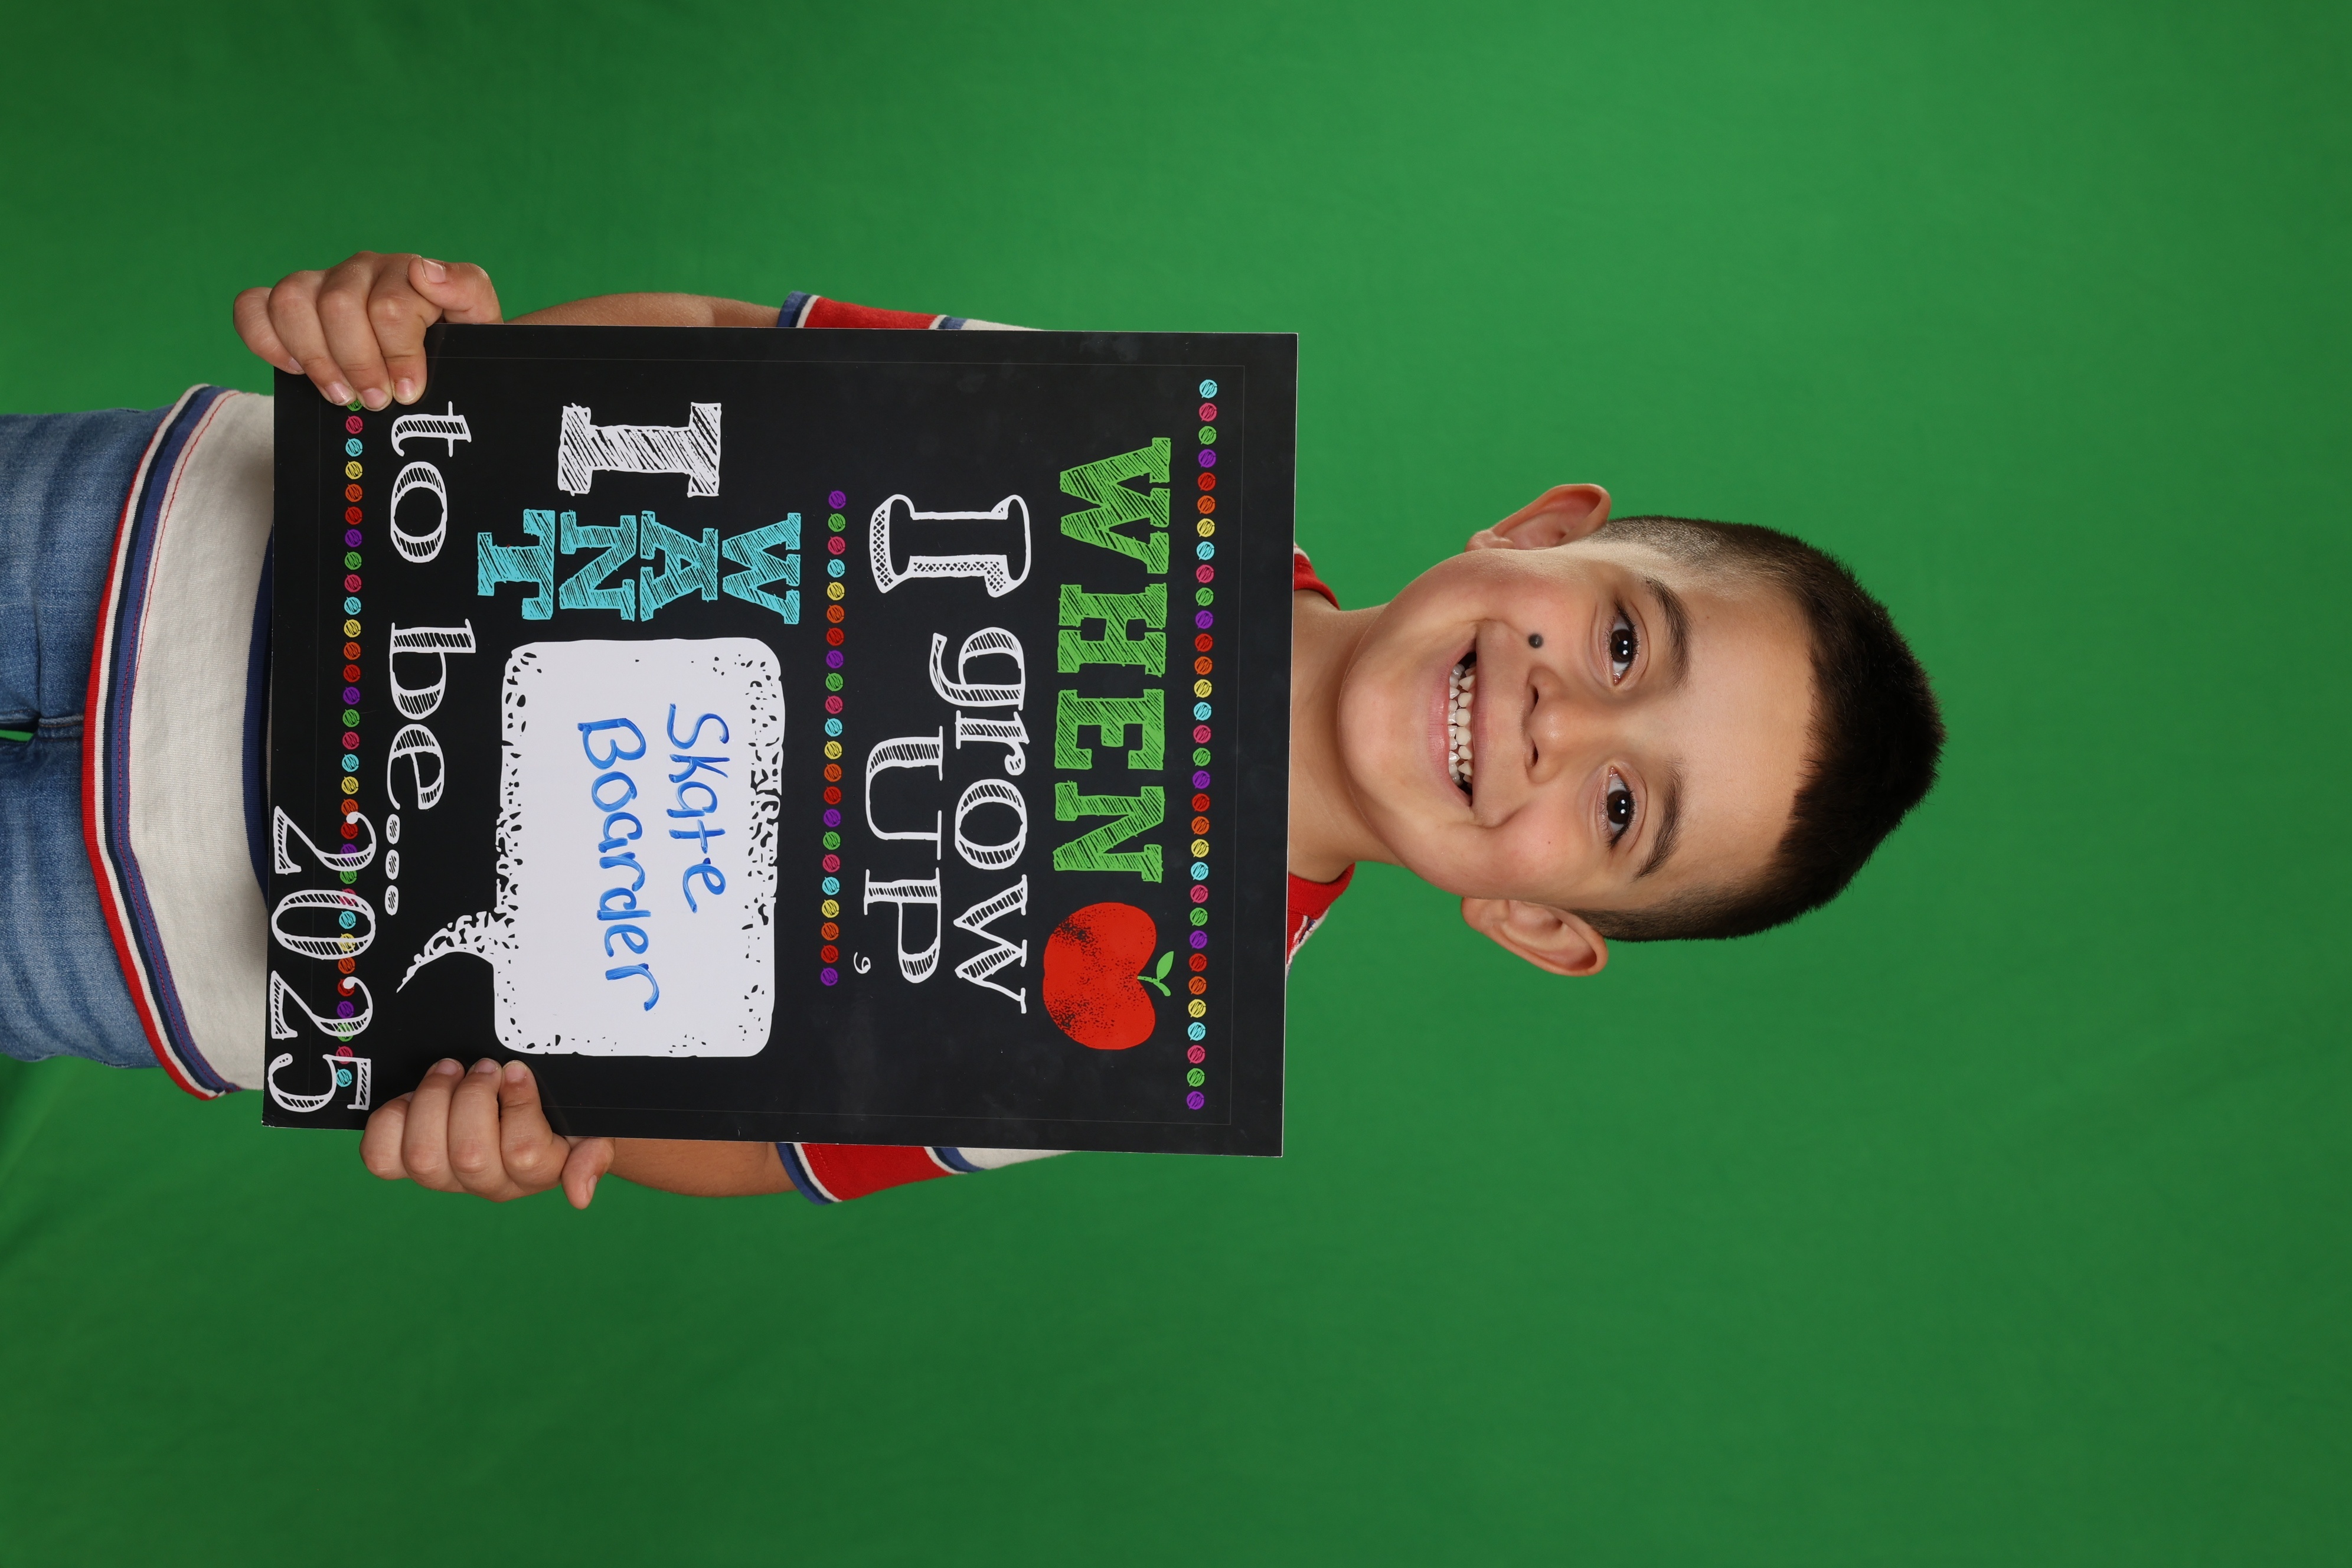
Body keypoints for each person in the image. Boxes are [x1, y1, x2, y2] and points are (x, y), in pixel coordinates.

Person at [1, 252, 1943, 1208]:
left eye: (1622, 808)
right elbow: (713, 357)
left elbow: (769, 1141)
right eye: (1623, 636)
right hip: (166, 536)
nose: (1552, 721)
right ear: (1538, 532)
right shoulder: (1110, 453)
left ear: (1536, 921)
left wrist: (547, 1126)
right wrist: (444, 354)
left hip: (167, 933)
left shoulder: (1125, 1035)